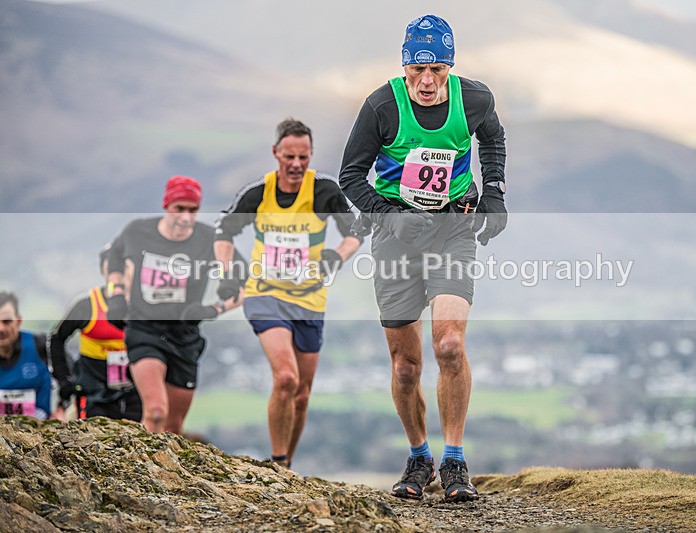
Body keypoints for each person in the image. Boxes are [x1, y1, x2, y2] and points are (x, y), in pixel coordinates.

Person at [338, 15, 508, 502]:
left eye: (437, 69)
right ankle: (419, 456)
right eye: (417, 70)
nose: (427, 82)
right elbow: (350, 176)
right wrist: (388, 215)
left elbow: (492, 139)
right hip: (395, 237)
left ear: (450, 66)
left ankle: (455, 461)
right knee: (405, 366)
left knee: (450, 345)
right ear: (404, 66)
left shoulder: (474, 98)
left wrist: (493, 194)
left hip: (453, 227)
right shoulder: (380, 106)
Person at [215, 118, 362, 468]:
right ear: (276, 153)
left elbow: (356, 231)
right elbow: (223, 230)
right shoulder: (258, 193)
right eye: (289, 157)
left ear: (311, 155)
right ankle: (277, 460)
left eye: (304, 157)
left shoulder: (325, 191)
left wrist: (335, 257)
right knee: (286, 378)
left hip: (309, 300)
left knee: (301, 395)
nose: (296, 164)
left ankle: (286, 466)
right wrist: (227, 273)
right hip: (264, 294)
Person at [104, 176, 243, 434]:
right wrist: (115, 295)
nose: (186, 216)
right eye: (180, 208)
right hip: (144, 329)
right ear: (166, 205)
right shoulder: (138, 231)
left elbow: (247, 282)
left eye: (193, 210)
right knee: (156, 412)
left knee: (174, 426)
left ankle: (167, 470)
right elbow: (112, 257)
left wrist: (213, 309)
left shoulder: (209, 239)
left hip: (184, 337)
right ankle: (144, 472)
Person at [48, 249, 142, 422]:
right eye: (112, 268)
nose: (118, 274)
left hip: (136, 392)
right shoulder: (87, 305)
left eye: (124, 268)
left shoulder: (143, 306)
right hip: (94, 392)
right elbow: (56, 337)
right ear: (103, 271)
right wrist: (63, 379)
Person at [0, 291, 52, 420]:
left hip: (41, 428)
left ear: (18, 321)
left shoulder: (41, 345)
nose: (1, 328)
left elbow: (73, 375)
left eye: (7, 321)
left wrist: (62, 407)